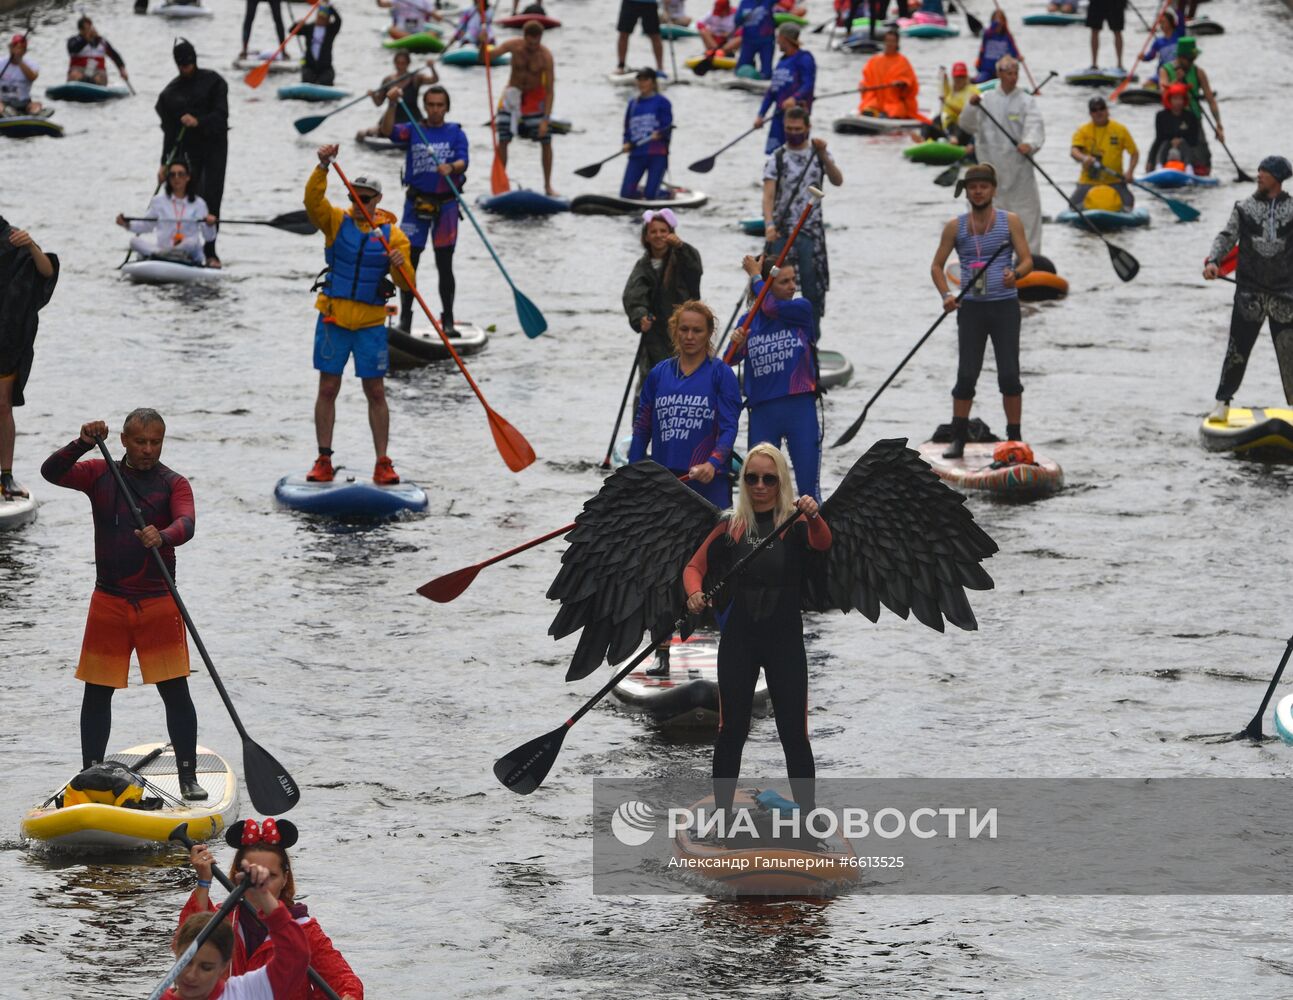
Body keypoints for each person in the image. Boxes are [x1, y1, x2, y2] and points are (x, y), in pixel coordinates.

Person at [40, 410, 207, 800]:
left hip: (158, 601)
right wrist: (81, 442)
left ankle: (188, 777)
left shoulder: (173, 483)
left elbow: (187, 524)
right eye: (140, 442)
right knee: (97, 692)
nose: (148, 450)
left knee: (174, 691)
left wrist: (162, 535)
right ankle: (88, 775)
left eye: (156, 442)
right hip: (109, 600)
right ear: (124, 441)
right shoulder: (101, 473)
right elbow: (51, 472)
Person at [683, 442, 830, 832]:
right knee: (731, 731)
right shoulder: (730, 525)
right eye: (752, 478)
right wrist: (694, 592)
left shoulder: (796, 524)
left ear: (781, 481)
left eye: (769, 478)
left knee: (793, 734)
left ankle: (808, 820)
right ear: (743, 481)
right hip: (740, 643)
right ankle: (723, 817)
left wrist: (815, 516)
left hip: (784, 644)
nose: (760, 485)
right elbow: (694, 566)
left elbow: (824, 542)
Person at [303, 145, 411, 485]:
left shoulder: (394, 236)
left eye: (366, 197)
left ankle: (383, 461)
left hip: (370, 325)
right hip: (334, 319)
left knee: (376, 392)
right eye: (355, 196)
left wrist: (400, 264)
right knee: (328, 388)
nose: (360, 202)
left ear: (378, 199)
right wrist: (322, 167)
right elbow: (312, 203)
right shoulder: (336, 221)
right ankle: (323, 458)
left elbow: (408, 284)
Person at [181, 819, 363, 1000]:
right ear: (238, 876)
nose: (261, 882)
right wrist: (204, 881)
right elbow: (187, 942)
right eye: (253, 873)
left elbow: (345, 981)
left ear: (285, 879)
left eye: (271, 876)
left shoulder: (304, 930)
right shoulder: (223, 920)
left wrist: (349, 996)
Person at [929, 163, 1033, 456]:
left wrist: (1017, 273)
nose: (978, 192)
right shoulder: (956, 226)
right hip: (971, 309)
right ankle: (958, 438)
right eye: (973, 187)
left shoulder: (1009, 221)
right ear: (967, 191)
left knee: (1009, 376)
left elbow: (1027, 260)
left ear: (993, 190)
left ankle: (1015, 438)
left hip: (1005, 307)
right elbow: (936, 266)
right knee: (966, 375)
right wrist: (946, 295)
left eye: (983, 187)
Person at [1202, 156, 1293, 423]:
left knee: (1290, 354)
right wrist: (1213, 261)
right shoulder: (1243, 208)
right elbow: (1226, 236)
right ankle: (1222, 402)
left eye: (1263, 171)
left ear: (1277, 177)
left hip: (1285, 295)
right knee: (1237, 350)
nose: (1258, 175)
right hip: (1248, 293)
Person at [628, 300, 741, 510]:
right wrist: (632, 475)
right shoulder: (658, 375)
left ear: (708, 334)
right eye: (684, 329)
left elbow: (729, 428)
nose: (689, 337)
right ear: (674, 331)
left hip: (709, 479)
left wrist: (713, 463)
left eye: (697, 330)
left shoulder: (721, 374)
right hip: (665, 481)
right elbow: (642, 429)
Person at [730, 254, 821, 499]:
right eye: (784, 282)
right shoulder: (748, 321)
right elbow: (728, 362)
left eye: (794, 280)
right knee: (760, 489)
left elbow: (770, 306)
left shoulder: (801, 309)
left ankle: (813, 532)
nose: (793, 287)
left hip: (800, 407)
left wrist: (755, 275)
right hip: (763, 412)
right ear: (769, 286)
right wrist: (737, 344)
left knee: (808, 491)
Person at [379, 84, 467, 333]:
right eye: (431, 105)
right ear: (425, 106)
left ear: (446, 107)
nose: (435, 110)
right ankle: (405, 319)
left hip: (446, 205)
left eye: (440, 105)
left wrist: (452, 168)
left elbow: (464, 160)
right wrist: (392, 104)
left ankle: (447, 320)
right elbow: (387, 131)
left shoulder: (456, 132)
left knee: (444, 264)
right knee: (409, 262)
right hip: (416, 205)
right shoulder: (414, 129)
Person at [163, 861, 310, 1000]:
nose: (191, 975)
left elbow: (296, 956)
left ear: (224, 967)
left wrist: (264, 895)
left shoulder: (245, 992)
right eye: (185, 962)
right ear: (176, 951)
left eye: (206, 968)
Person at [761, 108, 842, 336]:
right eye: (789, 129)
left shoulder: (818, 155)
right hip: (782, 232)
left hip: (811, 233)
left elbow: (837, 180)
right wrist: (769, 225)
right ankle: (774, 336)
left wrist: (824, 154)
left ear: (807, 128)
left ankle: (811, 342)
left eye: (798, 129)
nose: (793, 133)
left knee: (812, 291)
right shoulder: (776, 158)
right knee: (775, 288)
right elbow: (768, 196)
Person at [958, 57, 1045, 253]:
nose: (1013, 78)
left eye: (1015, 73)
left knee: (1027, 217)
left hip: (1020, 173)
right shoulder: (984, 99)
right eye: (1008, 73)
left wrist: (1028, 144)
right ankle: (983, 258)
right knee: (986, 218)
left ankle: (1029, 260)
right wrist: (971, 106)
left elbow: (1035, 126)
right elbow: (966, 124)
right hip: (991, 174)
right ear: (999, 74)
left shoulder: (1026, 101)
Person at [156, 40, 228, 268]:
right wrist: (163, 163)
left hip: (215, 147)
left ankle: (211, 251)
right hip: (189, 151)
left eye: (188, 64)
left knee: (212, 197)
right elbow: (169, 132)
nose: (186, 69)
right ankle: (185, 247)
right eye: (181, 65)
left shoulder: (214, 82)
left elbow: (221, 117)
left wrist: (198, 121)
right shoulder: (169, 94)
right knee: (192, 195)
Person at [0, 220, 57, 502]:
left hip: (6, 339)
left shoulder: (10, 236)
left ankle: (5, 477)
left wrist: (31, 244)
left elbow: (46, 271)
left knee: (3, 406)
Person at [622, 209, 704, 380]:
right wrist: (640, 317)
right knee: (653, 383)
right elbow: (633, 296)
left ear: (671, 234)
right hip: (655, 336)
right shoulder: (643, 266)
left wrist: (681, 247)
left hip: (684, 331)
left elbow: (695, 269)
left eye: (663, 231)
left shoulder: (683, 257)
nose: (658, 235)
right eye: (653, 231)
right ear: (646, 236)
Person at [491, 21, 557, 197]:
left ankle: (548, 186)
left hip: (535, 99)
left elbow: (550, 91)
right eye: (529, 43)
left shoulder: (546, 56)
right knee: (503, 140)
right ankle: (500, 184)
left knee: (546, 140)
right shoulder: (513, 46)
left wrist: (545, 119)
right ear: (524, 37)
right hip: (512, 96)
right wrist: (484, 44)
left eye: (536, 43)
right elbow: (485, 59)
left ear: (540, 39)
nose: (532, 47)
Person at [116, 161, 218, 265]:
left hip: (188, 251)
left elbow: (209, 237)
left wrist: (210, 224)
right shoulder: (158, 201)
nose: (176, 178)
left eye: (181, 174)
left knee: (192, 242)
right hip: (163, 249)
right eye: (172, 175)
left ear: (188, 177)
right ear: (168, 178)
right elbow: (146, 226)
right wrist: (126, 224)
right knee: (134, 241)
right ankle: (165, 255)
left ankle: (164, 255)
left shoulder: (199, 203)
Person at [1069, 95, 1138, 210]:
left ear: (1107, 111)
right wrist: (1084, 158)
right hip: (1088, 181)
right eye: (1094, 110)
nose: (1099, 113)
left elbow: (1134, 153)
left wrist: (1130, 172)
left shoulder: (1120, 129)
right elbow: (1074, 151)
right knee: (1073, 205)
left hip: (1115, 180)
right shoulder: (1082, 130)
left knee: (1129, 203)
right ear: (1090, 114)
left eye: (1101, 109)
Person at [754, 24, 814, 155]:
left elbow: (808, 84)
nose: (777, 41)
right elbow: (772, 91)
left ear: (784, 38)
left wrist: (794, 98)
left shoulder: (804, 58)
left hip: (797, 118)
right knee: (773, 155)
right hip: (778, 117)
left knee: (795, 155)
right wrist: (761, 115)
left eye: (778, 38)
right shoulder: (782, 62)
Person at [1158, 37, 1223, 147]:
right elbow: (1163, 93)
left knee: (1202, 155)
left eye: (1194, 59)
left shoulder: (1199, 72)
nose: (1192, 62)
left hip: (1194, 119)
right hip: (1172, 120)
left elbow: (1210, 100)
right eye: (1189, 59)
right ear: (1180, 57)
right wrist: (1177, 81)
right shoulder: (1165, 70)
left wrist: (1218, 124)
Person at [357, 51, 437, 140]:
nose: (400, 66)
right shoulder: (387, 80)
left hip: (412, 119)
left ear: (408, 64)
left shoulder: (416, 78)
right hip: (391, 120)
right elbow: (379, 103)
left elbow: (434, 79)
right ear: (394, 64)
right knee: (360, 134)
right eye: (398, 63)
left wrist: (432, 68)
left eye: (403, 63)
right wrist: (373, 95)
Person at [621, 69, 672, 200]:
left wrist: (660, 134)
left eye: (646, 80)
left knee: (651, 195)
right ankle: (643, 189)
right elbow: (627, 127)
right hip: (637, 153)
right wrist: (626, 142)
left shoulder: (662, 102)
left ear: (653, 82)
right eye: (640, 80)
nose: (642, 83)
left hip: (657, 154)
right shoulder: (633, 104)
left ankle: (667, 193)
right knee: (626, 194)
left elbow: (667, 127)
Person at [858, 30, 921, 120]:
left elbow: (909, 81)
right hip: (876, 101)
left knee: (895, 110)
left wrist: (901, 83)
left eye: (892, 41)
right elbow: (866, 79)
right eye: (887, 41)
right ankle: (875, 114)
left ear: (897, 43)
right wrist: (862, 86)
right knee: (868, 108)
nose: (889, 44)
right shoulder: (874, 60)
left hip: (894, 102)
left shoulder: (902, 61)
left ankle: (885, 115)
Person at [1147, 82, 1208, 173]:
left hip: (1186, 148)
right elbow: (1159, 137)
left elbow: (1194, 139)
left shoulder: (1191, 116)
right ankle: (1159, 166)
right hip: (1166, 147)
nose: (1178, 102)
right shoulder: (1161, 116)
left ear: (1184, 100)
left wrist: (1180, 141)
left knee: (1184, 144)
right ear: (1169, 99)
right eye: (1175, 99)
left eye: (1180, 99)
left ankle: (1189, 168)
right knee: (1164, 143)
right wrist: (1150, 161)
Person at [927, 62, 978, 148]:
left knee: (958, 125)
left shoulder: (972, 91)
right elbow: (944, 89)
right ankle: (922, 139)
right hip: (946, 124)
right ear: (953, 78)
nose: (959, 80)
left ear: (966, 78)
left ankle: (954, 140)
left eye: (962, 77)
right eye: (957, 77)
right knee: (929, 122)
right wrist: (944, 78)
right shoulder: (951, 90)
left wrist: (947, 103)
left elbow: (966, 114)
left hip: (962, 127)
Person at [66, 17, 128, 87]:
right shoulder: (73, 40)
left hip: (96, 69)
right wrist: (87, 39)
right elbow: (72, 49)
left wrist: (122, 70)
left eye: (90, 28)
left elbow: (115, 56)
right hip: (79, 69)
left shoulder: (102, 42)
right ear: (81, 30)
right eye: (87, 29)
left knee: (98, 78)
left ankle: (93, 84)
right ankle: (79, 84)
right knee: (74, 75)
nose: (89, 31)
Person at [728, 0, 776, 81]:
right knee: (739, 70)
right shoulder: (745, 2)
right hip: (748, 42)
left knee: (767, 72)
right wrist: (742, 16)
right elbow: (736, 20)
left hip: (766, 42)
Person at [615, 0, 664, 75]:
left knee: (655, 35)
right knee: (623, 33)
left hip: (649, 3)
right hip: (630, 2)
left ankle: (660, 68)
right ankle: (621, 66)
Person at [975, 8, 1020, 84]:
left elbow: (1013, 51)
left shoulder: (1007, 36)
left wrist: (1018, 57)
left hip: (1002, 70)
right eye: (995, 19)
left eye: (1000, 19)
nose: (998, 21)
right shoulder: (988, 34)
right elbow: (987, 33)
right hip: (987, 69)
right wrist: (995, 24)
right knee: (979, 80)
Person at [301, 4, 342, 87]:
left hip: (325, 68)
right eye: (319, 16)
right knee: (307, 77)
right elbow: (292, 30)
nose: (321, 19)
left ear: (328, 19)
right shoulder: (309, 28)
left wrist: (329, 7)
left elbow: (339, 21)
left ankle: (320, 83)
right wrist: (299, 23)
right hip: (310, 66)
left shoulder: (331, 30)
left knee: (326, 79)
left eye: (323, 18)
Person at [1, 34, 41, 115]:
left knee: (36, 107)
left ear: (25, 51)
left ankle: (31, 116)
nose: (17, 50)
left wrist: (19, 60)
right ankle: (6, 113)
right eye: (15, 47)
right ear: (10, 48)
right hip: (3, 102)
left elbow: (33, 77)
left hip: (23, 103)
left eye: (20, 48)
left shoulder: (32, 64)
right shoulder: (1, 63)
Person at [1085, 0, 1125, 71]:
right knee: (1095, 30)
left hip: (1115, 3)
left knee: (1117, 31)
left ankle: (1119, 64)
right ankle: (1094, 64)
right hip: (1097, 2)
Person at [1144, 6, 1183, 77]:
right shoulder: (1158, 42)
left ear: (1171, 22)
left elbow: (1180, 15)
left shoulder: (1179, 35)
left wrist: (1175, 6)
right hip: (1162, 73)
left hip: (1177, 72)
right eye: (1160, 23)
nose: (1161, 25)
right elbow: (1151, 56)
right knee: (1146, 85)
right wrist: (1143, 57)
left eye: (1164, 22)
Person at [377, 0, 444, 40]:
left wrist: (434, 14)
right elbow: (381, 4)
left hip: (419, 32)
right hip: (402, 32)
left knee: (433, 33)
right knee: (391, 30)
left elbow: (438, 18)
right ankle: (412, 38)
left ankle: (415, 38)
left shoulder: (424, 2)